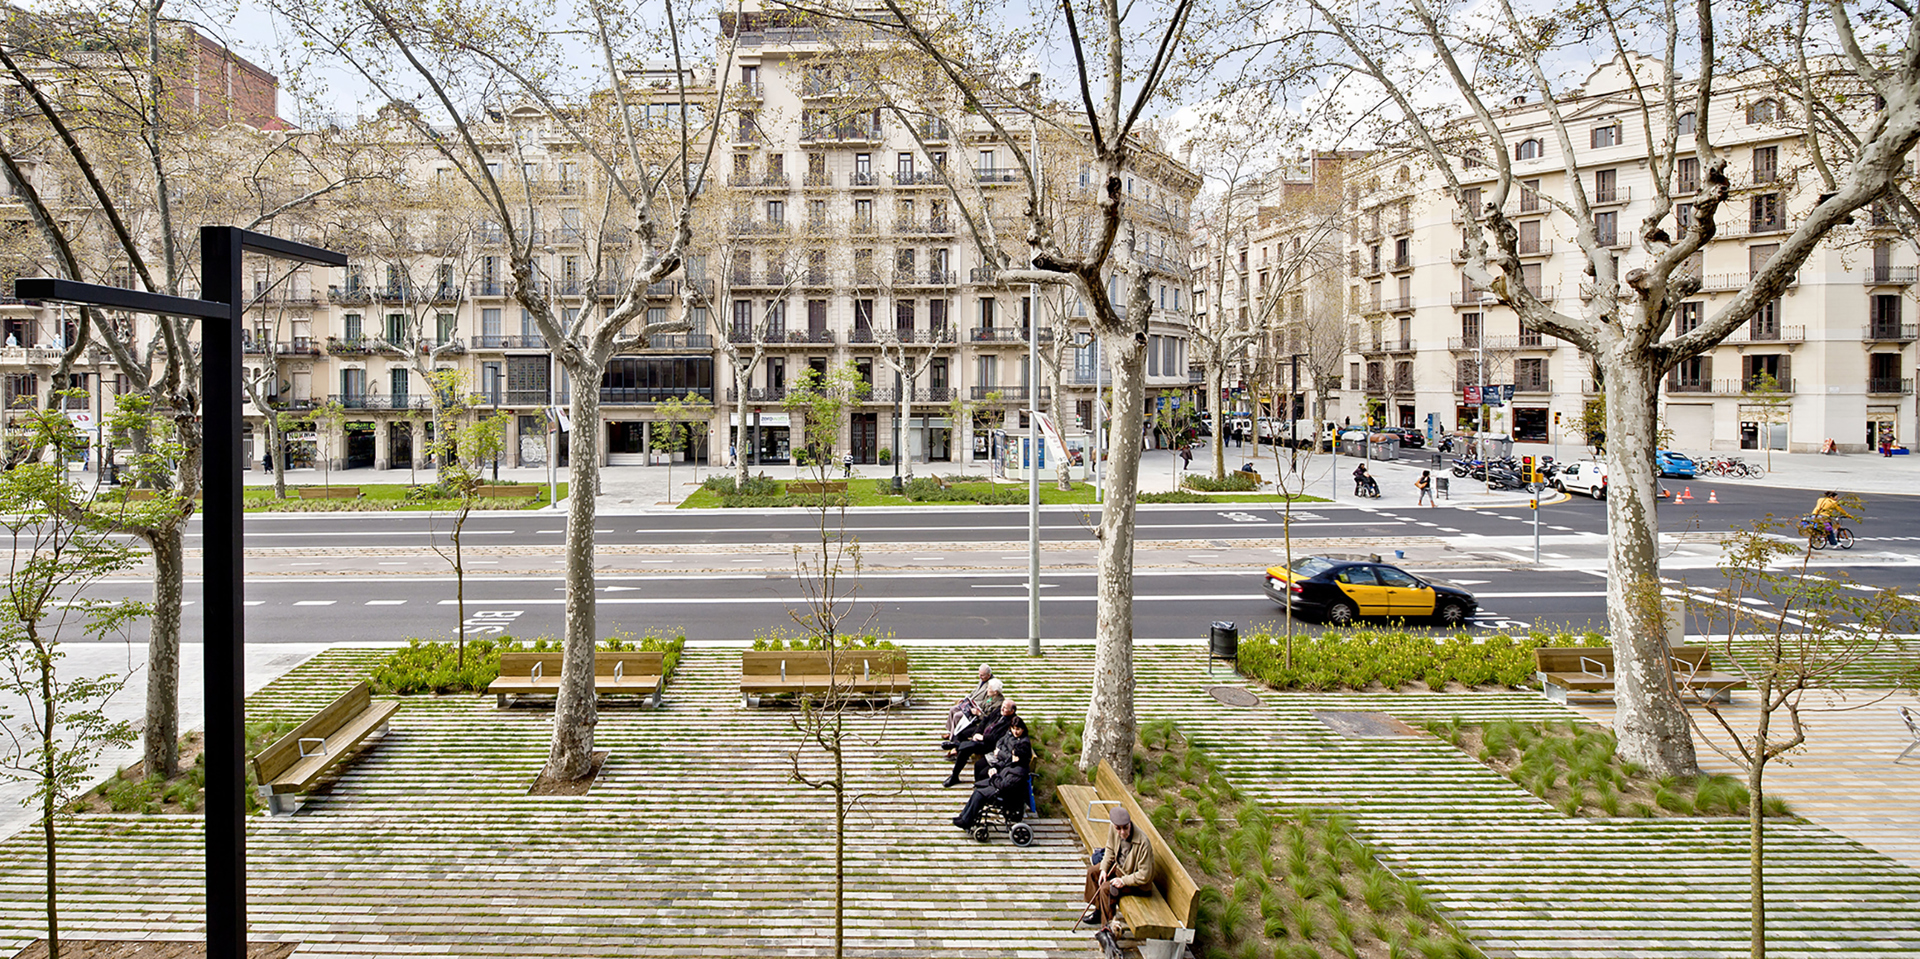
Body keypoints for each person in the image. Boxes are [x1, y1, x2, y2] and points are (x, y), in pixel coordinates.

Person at [1080, 804, 1155, 938]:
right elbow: (1109, 849)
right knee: (1093, 872)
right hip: (1120, 868)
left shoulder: (1143, 843)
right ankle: (1099, 911)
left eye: (1125, 828)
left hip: (1136, 882)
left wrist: (1123, 881)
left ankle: (1108, 930)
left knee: (1106, 889)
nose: (1122, 832)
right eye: (1118, 828)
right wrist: (1104, 869)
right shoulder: (1113, 829)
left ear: (1130, 823)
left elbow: (1145, 875)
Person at [951, 716, 1032, 830]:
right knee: (978, 787)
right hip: (1000, 781)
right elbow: (1005, 762)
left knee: (979, 793)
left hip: (1003, 792)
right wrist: (996, 767)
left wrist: (994, 776)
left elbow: (1003, 785)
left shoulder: (1018, 772)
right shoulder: (1015, 762)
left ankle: (966, 821)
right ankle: (964, 816)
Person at [944, 698, 1015, 787]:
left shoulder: (1011, 722)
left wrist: (983, 737)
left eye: (1005, 708)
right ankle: (955, 775)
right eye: (1002, 706)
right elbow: (985, 720)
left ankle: (957, 746)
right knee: (965, 746)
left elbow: (998, 738)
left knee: (967, 748)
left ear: (1012, 711)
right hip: (982, 736)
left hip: (990, 744)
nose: (1002, 709)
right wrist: (977, 733)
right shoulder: (998, 711)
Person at [944, 671, 1001, 742]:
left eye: (989, 689)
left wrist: (979, 713)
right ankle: (951, 734)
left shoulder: (998, 703)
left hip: (981, 722)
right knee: (953, 709)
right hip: (977, 714)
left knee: (957, 717)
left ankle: (953, 739)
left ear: (995, 692)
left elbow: (989, 718)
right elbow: (977, 697)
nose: (987, 690)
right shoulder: (990, 697)